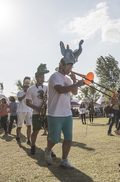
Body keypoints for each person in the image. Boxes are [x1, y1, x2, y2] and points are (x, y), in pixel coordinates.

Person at [45, 39, 85, 169]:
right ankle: (48, 150)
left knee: (68, 138)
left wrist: (74, 82)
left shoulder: (68, 78)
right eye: (68, 65)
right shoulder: (54, 76)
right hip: (54, 114)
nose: (70, 68)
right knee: (54, 139)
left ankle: (64, 160)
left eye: (71, 66)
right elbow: (60, 90)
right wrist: (76, 83)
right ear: (62, 64)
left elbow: (74, 92)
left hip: (67, 114)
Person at [26, 63, 52, 155]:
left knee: (49, 131)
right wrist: (37, 108)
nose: (43, 78)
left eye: (43, 77)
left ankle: (49, 149)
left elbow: (51, 99)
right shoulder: (31, 89)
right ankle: (33, 145)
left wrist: (45, 107)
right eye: (40, 77)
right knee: (35, 131)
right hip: (36, 113)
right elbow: (27, 102)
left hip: (47, 113)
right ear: (36, 78)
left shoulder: (47, 88)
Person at [16, 77, 32, 144]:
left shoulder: (30, 93)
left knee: (29, 125)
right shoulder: (19, 93)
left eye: (28, 87)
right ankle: (18, 137)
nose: (27, 88)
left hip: (28, 110)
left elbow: (31, 101)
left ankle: (28, 139)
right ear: (23, 87)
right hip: (21, 111)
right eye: (26, 87)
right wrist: (26, 94)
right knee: (19, 125)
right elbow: (20, 99)